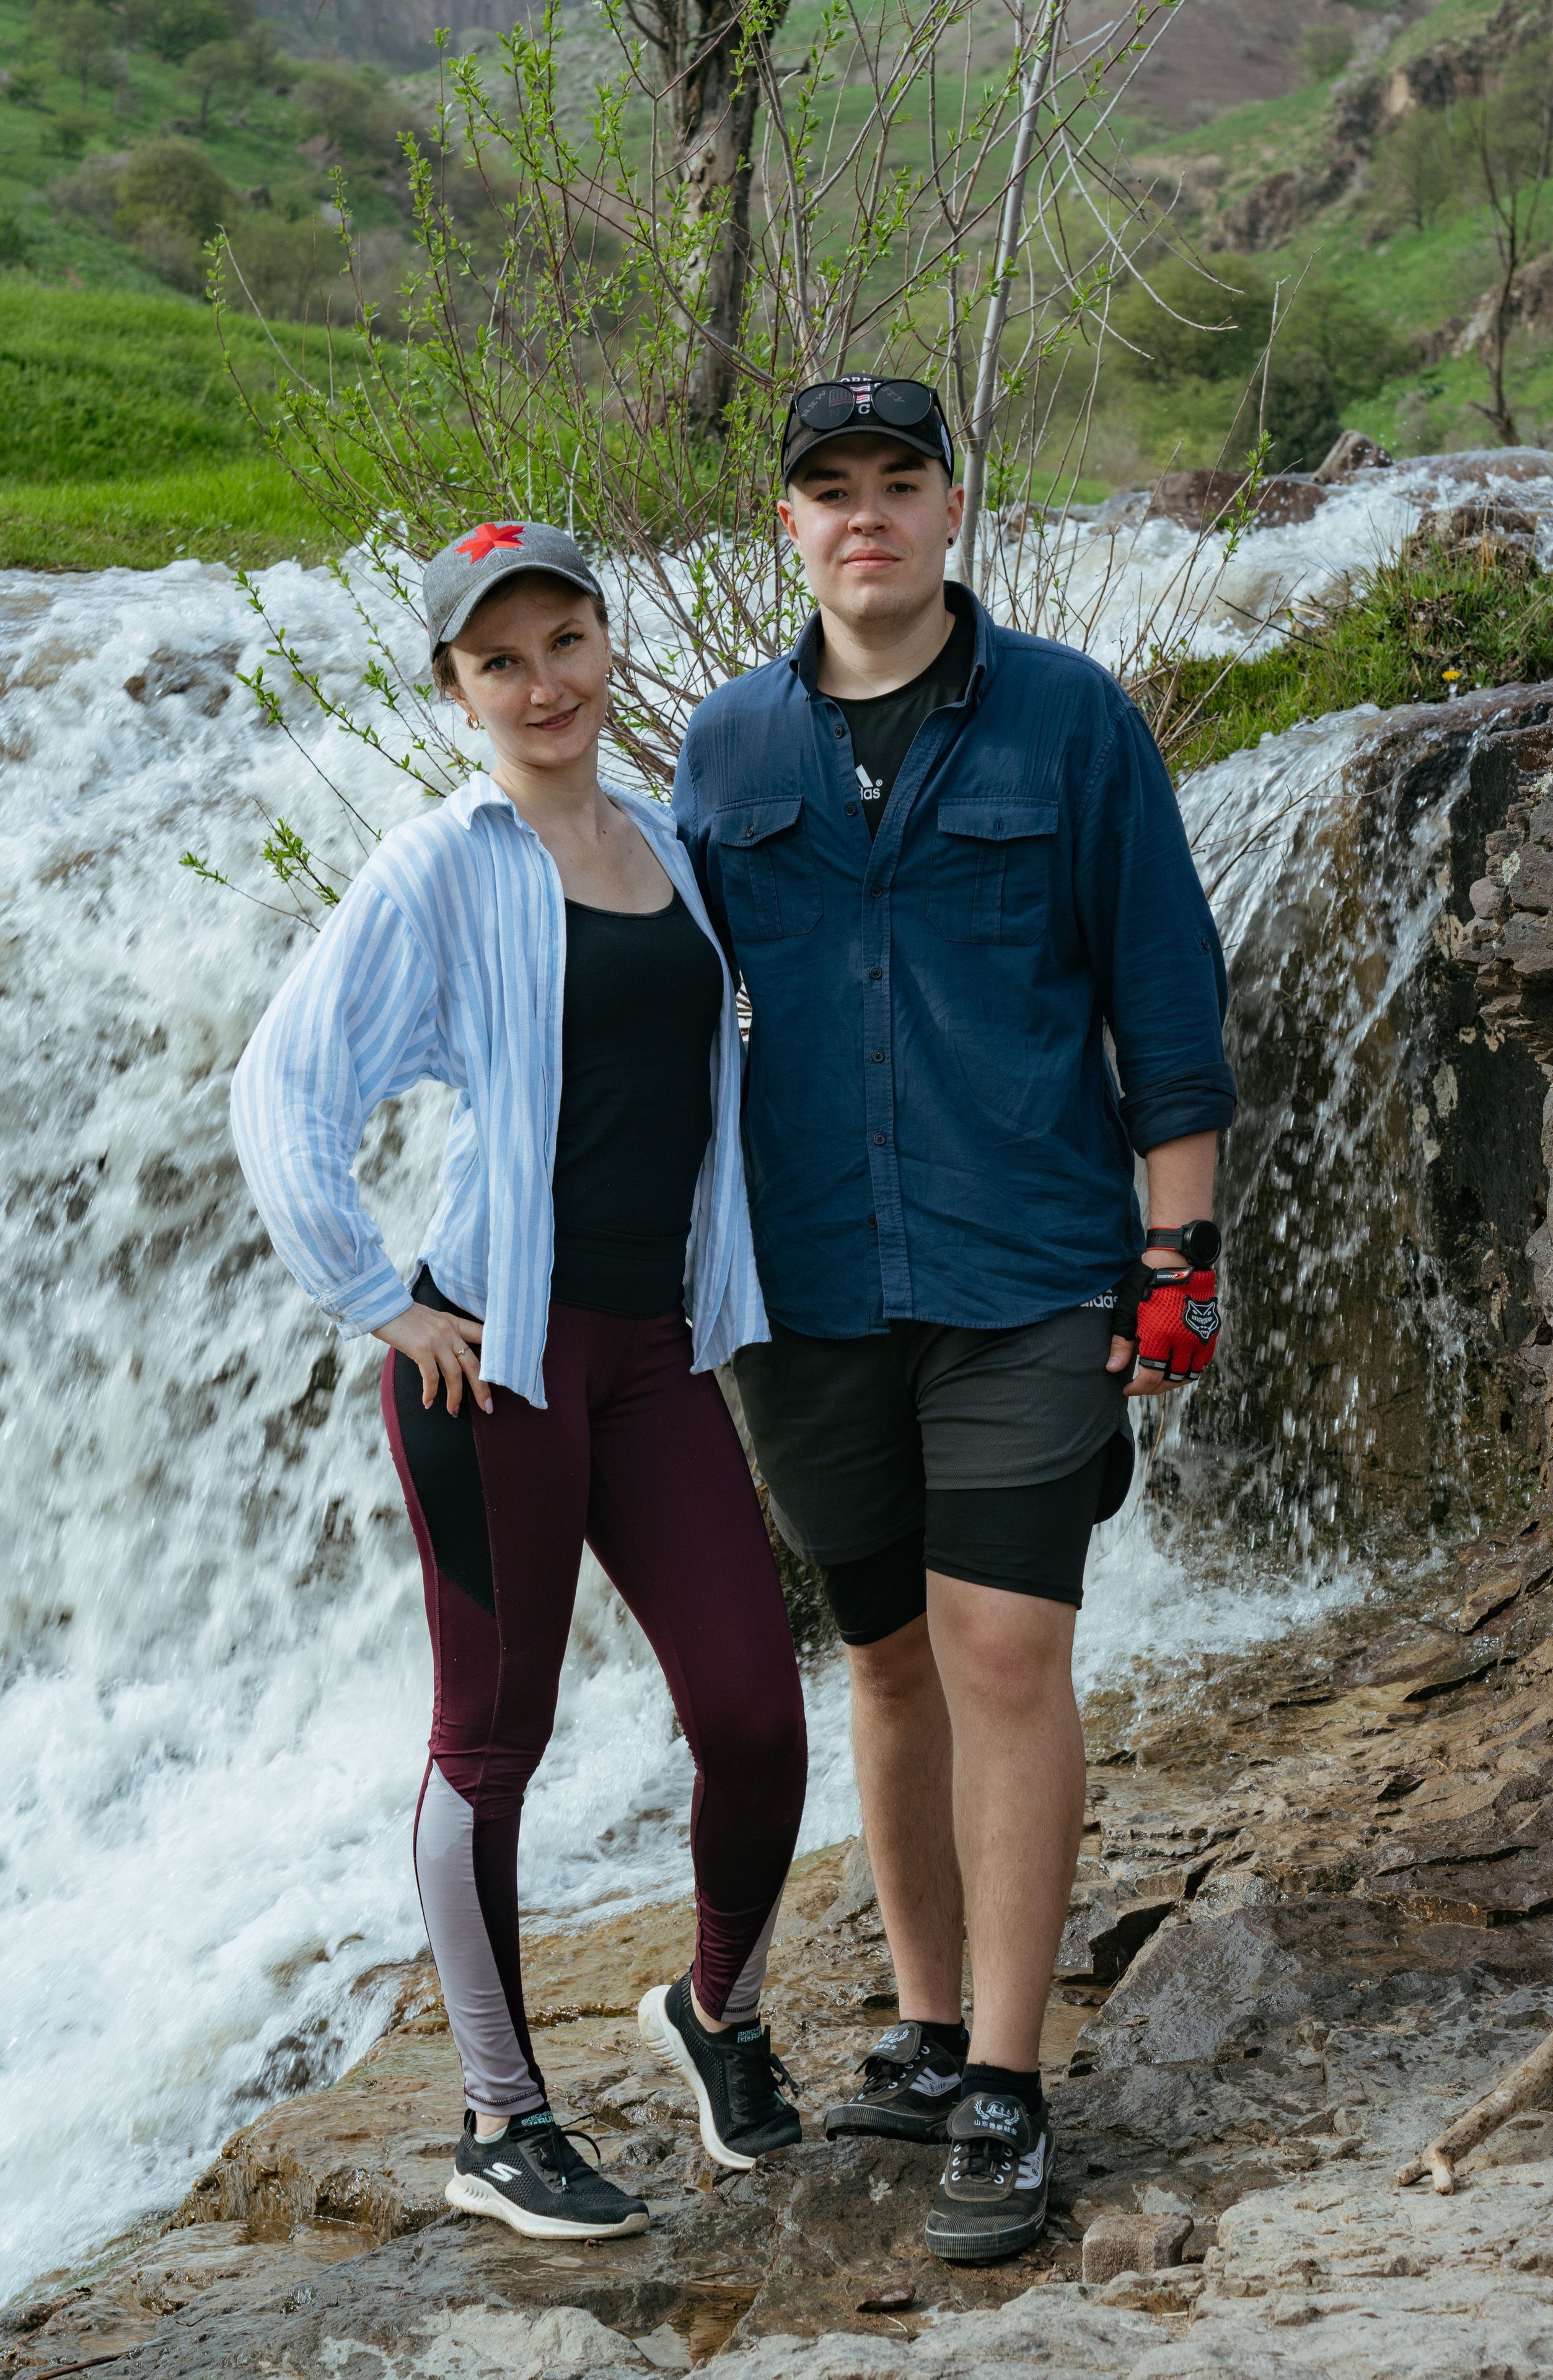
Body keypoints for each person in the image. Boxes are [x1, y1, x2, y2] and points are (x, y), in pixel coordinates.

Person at [673, 380, 1236, 2265]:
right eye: (829, 493)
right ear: (788, 528)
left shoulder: (1072, 719)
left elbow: (1167, 1003)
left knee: (1007, 1652)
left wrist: (1179, 1263)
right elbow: (658, 1011)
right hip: (808, 1288)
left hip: (1030, 1273)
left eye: (897, 485)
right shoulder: (727, 743)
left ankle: (1007, 2082)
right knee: (891, 1660)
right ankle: (923, 2029)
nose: (866, 521)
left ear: (951, 504)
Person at [231, 521, 809, 2245]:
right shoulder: (440, 866)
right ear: (455, 689)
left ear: (605, 646)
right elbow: (286, 1083)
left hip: (655, 1356)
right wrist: (374, 1299)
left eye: (566, 641)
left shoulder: (674, 852)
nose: (543, 682)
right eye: (502, 661)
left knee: (759, 1717)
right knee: (494, 1742)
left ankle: (717, 2015)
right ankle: (499, 2115)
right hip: (497, 1363)